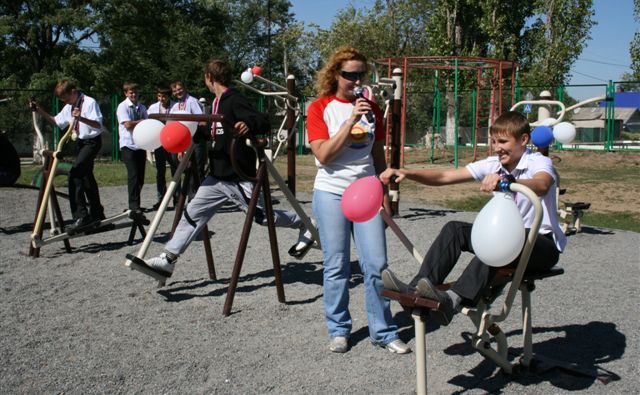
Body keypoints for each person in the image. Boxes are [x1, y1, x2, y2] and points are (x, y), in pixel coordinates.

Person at [379, 111, 566, 326]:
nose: (497, 148)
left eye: (503, 141)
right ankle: (418, 290)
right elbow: (445, 176)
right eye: (494, 141)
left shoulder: (537, 162)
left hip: (541, 245)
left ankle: (453, 300)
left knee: (500, 242)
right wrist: (408, 173)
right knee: (455, 229)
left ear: (524, 140)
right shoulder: (493, 164)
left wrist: (508, 182)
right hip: (508, 241)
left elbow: (542, 184)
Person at [141, 59, 314, 278]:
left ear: (209, 78)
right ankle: (168, 260)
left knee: (262, 217)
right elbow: (212, 133)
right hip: (216, 177)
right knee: (192, 212)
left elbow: (262, 121)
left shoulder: (233, 100)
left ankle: (305, 223)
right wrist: (186, 137)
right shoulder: (216, 103)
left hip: (237, 175)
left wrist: (248, 124)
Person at [306, 46, 410, 355]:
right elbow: (323, 154)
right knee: (336, 264)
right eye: (349, 74)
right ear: (335, 74)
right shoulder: (320, 108)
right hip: (331, 192)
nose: (356, 80)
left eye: (360, 74)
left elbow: (377, 154)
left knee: (376, 263)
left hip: (366, 193)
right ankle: (339, 329)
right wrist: (350, 119)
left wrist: (386, 194)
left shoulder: (374, 110)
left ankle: (383, 330)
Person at [30, 80, 106, 233]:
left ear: (73, 91)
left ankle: (81, 216)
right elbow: (56, 122)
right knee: (86, 178)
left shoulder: (89, 102)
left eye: (64, 97)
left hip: (92, 142)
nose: (63, 101)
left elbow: (98, 125)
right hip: (81, 142)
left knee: (75, 174)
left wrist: (80, 118)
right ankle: (97, 213)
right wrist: (39, 110)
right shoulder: (69, 106)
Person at [116, 82, 148, 215]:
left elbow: (148, 123)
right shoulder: (122, 107)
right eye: (131, 93)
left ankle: (136, 202)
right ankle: (133, 206)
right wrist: (140, 122)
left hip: (140, 144)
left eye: (135, 92)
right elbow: (128, 125)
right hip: (128, 145)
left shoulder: (142, 107)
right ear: (126, 93)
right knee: (133, 175)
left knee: (140, 177)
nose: (133, 95)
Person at [170, 81, 207, 192]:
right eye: (175, 91)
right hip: (182, 140)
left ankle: (198, 194)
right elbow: (172, 122)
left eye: (180, 89)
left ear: (185, 88)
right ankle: (191, 193)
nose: (178, 92)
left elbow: (201, 120)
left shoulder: (192, 102)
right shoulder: (176, 106)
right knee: (185, 167)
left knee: (197, 168)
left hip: (195, 139)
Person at [146, 86, 177, 209]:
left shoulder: (175, 106)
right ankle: (161, 199)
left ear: (169, 96)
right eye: (159, 96)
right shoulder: (153, 108)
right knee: (160, 171)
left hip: (173, 141)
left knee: (175, 170)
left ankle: (177, 198)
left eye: (164, 96)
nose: (161, 99)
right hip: (159, 142)